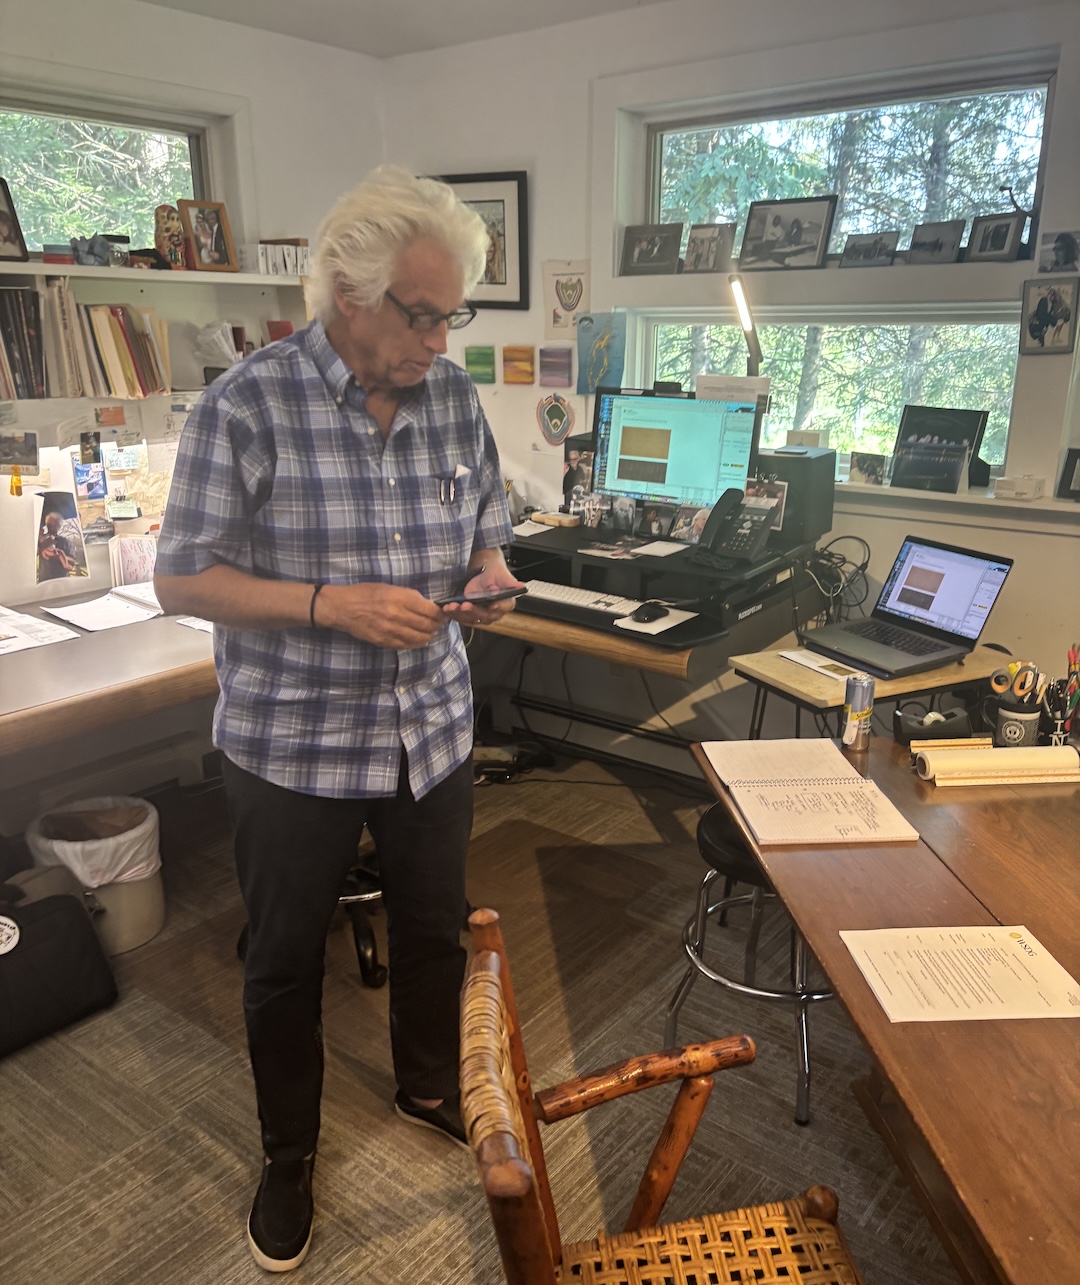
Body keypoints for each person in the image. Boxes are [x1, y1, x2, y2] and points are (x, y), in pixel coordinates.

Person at [154, 164, 522, 1273]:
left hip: (432, 728)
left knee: (433, 928)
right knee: (280, 961)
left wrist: (491, 575)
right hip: (291, 742)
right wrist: (329, 605)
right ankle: (289, 1155)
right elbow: (181, 578)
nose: (440, 343)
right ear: (349, 294)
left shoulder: (451, 399)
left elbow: (487, 527)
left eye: (452, 317)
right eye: (422, 316)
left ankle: (426, 1085)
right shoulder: (244, 405)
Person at [37, 511, 78, 579]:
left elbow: (72, 561)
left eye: (55, 526)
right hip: (45, 579)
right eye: (50, 525)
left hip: (62, 578)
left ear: (59, 526)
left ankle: (65, 565)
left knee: (60, 552)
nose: (52, 528)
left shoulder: (65, 541)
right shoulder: (41, 539)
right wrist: (42, 546)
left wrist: (60, 557)